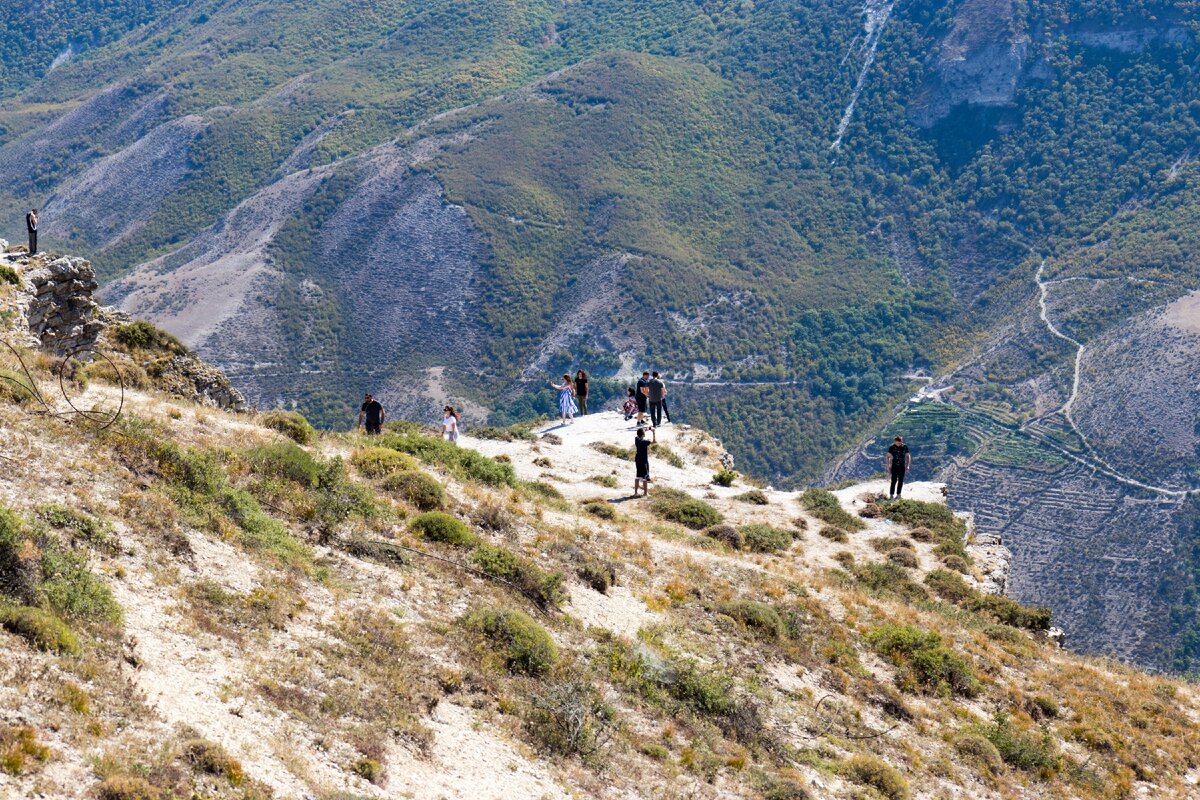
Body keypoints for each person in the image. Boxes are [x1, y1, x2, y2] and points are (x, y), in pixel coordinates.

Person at [633, 422, 656, 496]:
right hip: (644, 461)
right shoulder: (644, 442)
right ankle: (645, 493)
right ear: (643, 435)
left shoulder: (636, 439)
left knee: (637, 476)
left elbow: (641, 432)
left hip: (638, 460)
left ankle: (636, 493)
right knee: (645, 477)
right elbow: (654, 442)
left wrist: (648, 429)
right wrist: (653, 433)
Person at [885, 435, 911, 500]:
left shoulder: (905, 447)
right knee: (893, 481)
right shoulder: (892, 447)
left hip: (902, 466)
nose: (899, 443)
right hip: (894, 466)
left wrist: (907, 465)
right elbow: (888, 456)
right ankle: (891, 495)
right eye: (897, 442)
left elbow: (908, 456)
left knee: (901, 481)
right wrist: (888, 466)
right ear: (895, 441)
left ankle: (898, 495)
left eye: (900, 441)